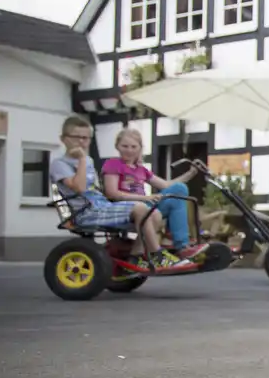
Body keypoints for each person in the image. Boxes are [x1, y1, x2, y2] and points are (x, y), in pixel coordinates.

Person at [48, 116, 190, 270]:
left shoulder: (88, 160)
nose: (81, 142)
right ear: (63, 139)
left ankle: (135, 257)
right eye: (76, 137)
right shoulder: (60, 164)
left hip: (101, 206)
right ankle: (158, 256)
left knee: (154, 214)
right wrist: (82, 159)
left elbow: (96, 190)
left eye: (86, 138)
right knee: (141, 208)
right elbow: (80, 188)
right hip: (85, 212)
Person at [101, 128, 207, 259]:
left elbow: (166, 185)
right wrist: (145, 198)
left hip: (145, 205)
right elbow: (112, 193)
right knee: (172, 195)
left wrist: (191, 173)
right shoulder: (113, 164)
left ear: (140, 148)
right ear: (117, 146)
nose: (129, 150)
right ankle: (175, 243)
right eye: (125, 146)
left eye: (133, 147)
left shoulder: (141, 169)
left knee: (180, 189)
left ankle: (182, 246)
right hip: (126, 208)